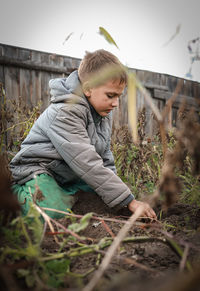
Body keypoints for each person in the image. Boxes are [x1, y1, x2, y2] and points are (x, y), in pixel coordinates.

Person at [10, 49, 156, 220]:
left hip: (69, 175)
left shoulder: (101, 113)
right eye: (110, 95)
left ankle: (65, 195)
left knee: (106, 200)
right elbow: (87, 161)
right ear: (87, 89)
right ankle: (16, 196)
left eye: (119, 97)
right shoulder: (65, 112)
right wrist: (129, 201)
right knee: (52, 213)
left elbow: (104, 158)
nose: (116, 103)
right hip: (39, 171)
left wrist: (124, 199)